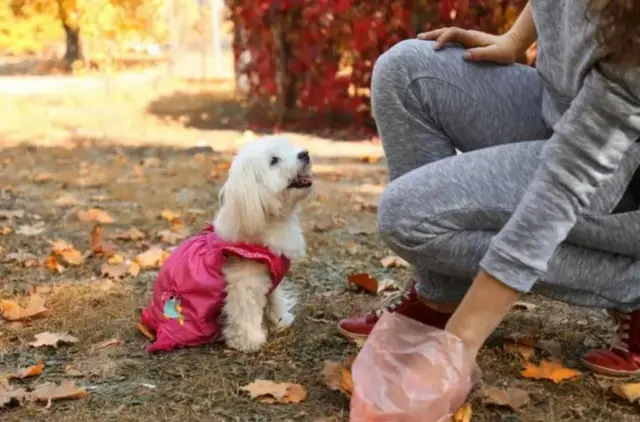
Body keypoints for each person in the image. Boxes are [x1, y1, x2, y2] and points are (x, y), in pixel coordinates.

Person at [339, 0, 640, 377]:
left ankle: (632, 286)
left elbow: (564, 186)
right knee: (405, 71)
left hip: (622, 173)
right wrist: (516, 39)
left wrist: (460, 344)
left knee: (406, 217)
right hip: (562, 113)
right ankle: (441, 297)